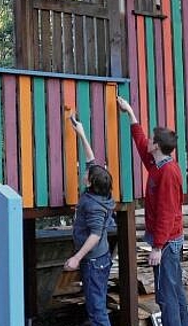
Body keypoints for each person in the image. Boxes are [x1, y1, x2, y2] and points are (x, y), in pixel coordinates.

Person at [116, 96, 188, 326]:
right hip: (168, 240)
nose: (148, 140)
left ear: (157, 145)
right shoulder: (159, 164)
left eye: (152, 139)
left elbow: (167, 214)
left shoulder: (167, 173)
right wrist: (130, 113)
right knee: (175, 292)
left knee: (166, 297)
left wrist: (157, 247)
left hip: (167, 243)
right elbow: (140, 144)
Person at [64, 114, 115, 326]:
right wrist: (82, 134)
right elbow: (91, 159)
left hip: (94, 261)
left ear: (91, 182)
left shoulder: (94, 206)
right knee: (96, 305)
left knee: (97, 310)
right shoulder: (100, 192)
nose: (85, 173)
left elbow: (95, 235)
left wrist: (77, 258)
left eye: (88, 174)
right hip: (99, 259)